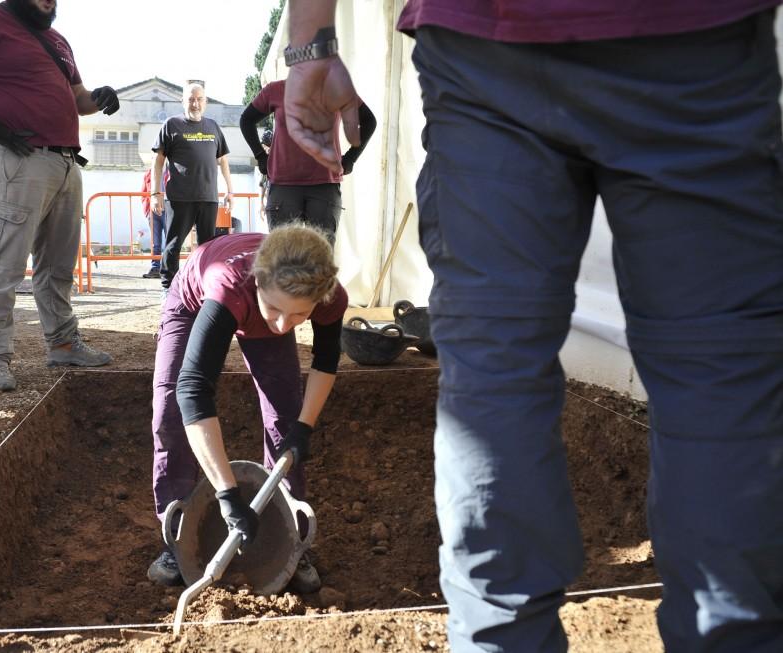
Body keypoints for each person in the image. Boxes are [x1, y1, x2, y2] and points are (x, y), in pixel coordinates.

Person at [284, 1, 783, 651]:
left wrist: (310, 43)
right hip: (692, 41)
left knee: (492, 383)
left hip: (486, 48)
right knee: (718, 378)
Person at [0, 0, 121, 391]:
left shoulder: (58, 40)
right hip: (18, 158)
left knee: (58, 267)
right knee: (4, 264)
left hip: (64, 161)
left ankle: (63, 343)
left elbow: (79, 99)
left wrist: (99, 96)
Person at [148, 224, 348, 594]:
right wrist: (227, 493)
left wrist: (304, 426)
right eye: (275, 308)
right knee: (170, 416)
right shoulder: (231, 285)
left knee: (286, 416)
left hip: (250, 304)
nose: (282, 325)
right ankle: (177, 539)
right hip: (195, 303)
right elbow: (193, 390)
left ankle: (289, 538)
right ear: (258, 281)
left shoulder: (327, 296)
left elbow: (325, 360)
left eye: (299, 316)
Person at [241, 79, 376, 241]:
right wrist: (260, 156)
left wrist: (351, 159)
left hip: (324, 186)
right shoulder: (276, 90)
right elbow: (247, 120)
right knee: (282, 258)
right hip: (284, 187)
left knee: (320, 259)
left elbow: (368, 121)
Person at [151, 83, 235, 291]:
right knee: (173, 245)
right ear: (183, 101)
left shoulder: (213, 127)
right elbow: (158, 161)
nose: (195, 103)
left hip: (208, 198)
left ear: (205, 102)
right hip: (180, 198)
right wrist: (155, 193)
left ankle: (206, 288)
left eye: (199, 99)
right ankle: (168, 289)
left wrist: (229, 190)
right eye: (191, 99)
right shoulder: (171, 125)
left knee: (208, 247)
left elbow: (223, 162)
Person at [140, 164, 170, 279]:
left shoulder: (171, 172)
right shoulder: (149, 173)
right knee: (155, 243)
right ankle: (155, 268)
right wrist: (147, 211)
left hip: (168, 211)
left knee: (170, 241)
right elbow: (143, 193)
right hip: (153, 212)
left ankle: (168, 268)